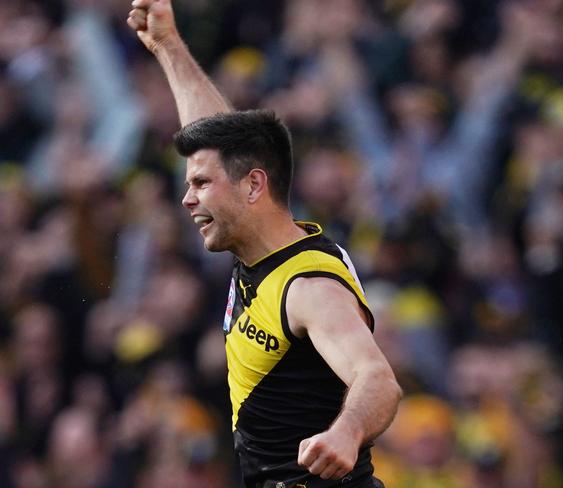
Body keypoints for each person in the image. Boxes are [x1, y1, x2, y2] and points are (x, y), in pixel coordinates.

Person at [126, 1, 402, 487]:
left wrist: (347, 432)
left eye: (202, 185)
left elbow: (377, 379)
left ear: (254, 186)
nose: (187, 200)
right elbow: (216, 142)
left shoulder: (309, 286)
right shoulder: (265, 251)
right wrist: (169, 46)